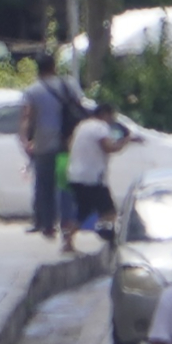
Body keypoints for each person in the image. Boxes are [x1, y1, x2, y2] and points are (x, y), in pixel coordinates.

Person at [19, 53, 78, 238]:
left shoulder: (32, 91)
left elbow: (28, 118)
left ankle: (47, 225)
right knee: (66, 184)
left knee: (45, 185)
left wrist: (26, 140)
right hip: (67, 142)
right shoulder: (69, 85)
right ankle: (67, 222)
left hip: (44, 143)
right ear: (54, 67)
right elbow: (78, 108)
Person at [63, 103, 135, 250]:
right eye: (111, 116)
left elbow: (70, 143)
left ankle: (68, 239)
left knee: (84, 211)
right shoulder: (100, 127)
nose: (112, 120)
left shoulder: (83, 126)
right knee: (109, 212)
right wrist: (126, 141)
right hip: (92, 178)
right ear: (105, 115)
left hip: (75, 175)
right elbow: (109, 148)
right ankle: (109, 241)